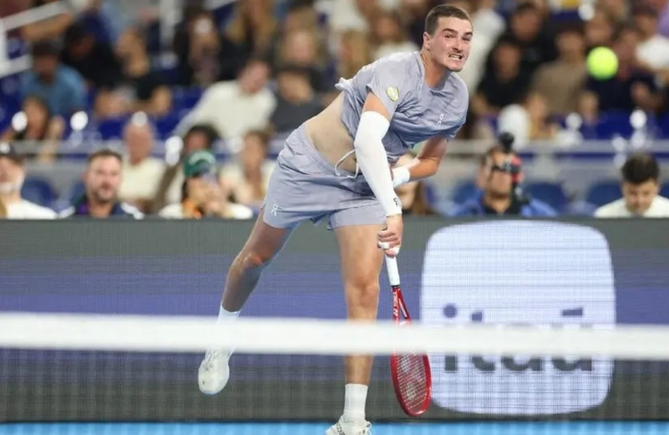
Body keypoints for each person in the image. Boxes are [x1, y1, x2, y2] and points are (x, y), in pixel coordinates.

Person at [197, 4, 472, 435]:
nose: (459, 45)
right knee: (255, 259)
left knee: (364, 288)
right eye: (450, 35)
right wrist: (393, 207)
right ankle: (220, 339)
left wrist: (395, 177)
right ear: (427, 40)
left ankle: (352, 419)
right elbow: (366, 141)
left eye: (466, 38)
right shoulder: (396, 71)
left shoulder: (456, 99)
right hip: (308, 167)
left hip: (362, 188)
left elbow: (431, 161)